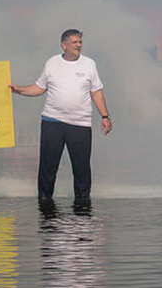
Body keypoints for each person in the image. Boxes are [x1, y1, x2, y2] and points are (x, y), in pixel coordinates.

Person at [10, 29, 112, 205]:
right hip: (52, 122)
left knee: (81, 168)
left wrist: (105, 116)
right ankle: (44, 200)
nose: (79, 45)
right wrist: (18, 89)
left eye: (80, 42)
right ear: (64, 45)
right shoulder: (52, 63)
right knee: (48, 166)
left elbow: (96, 92)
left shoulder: (89, 64)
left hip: (80, 124)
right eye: (74, 42)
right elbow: (39, 88)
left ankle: (82, 203)